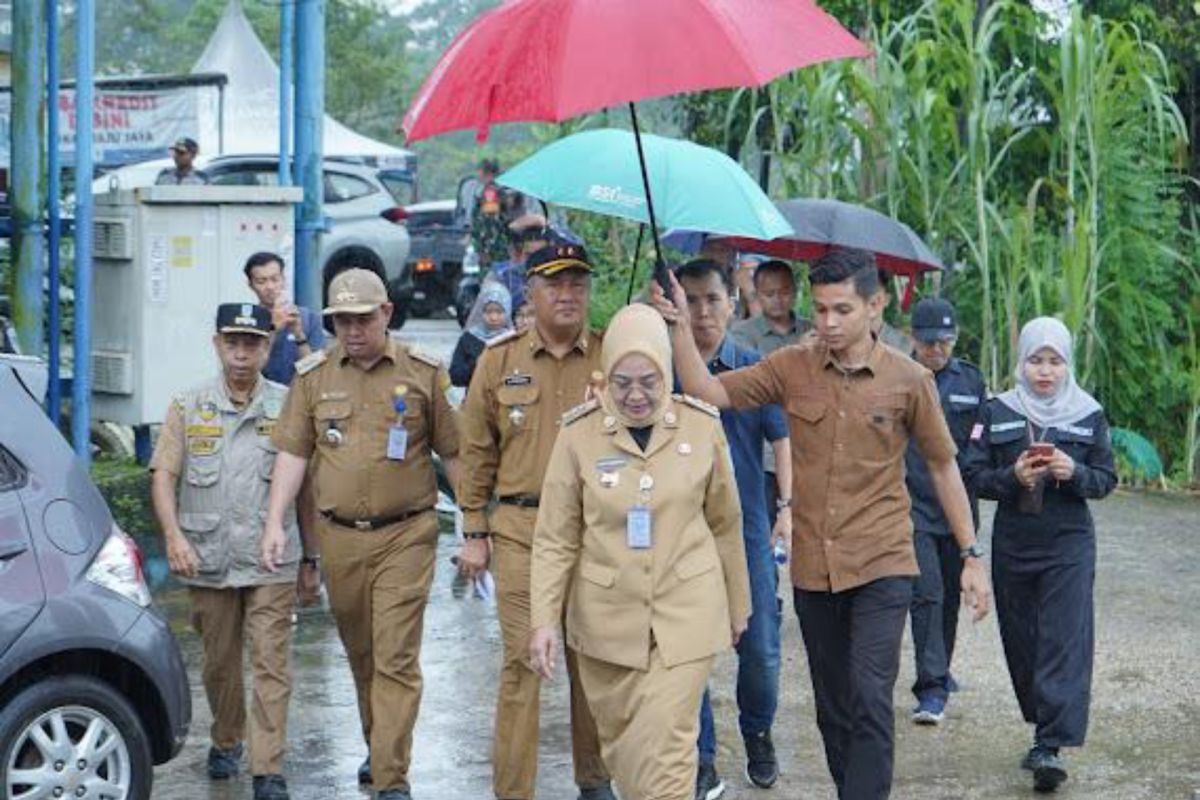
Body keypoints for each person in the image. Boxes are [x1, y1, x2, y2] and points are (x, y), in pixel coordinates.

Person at [651, 247, 992, 800]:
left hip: (884, 562)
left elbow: (942, 464)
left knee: (869, 696)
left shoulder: (909, 380)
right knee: (833, 708)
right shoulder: (790, 367)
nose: (829, 323)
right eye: (822, 310)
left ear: (875, 306)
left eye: (842, 310)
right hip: (814, 568)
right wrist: (679, 331)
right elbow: (707, 392)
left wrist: (971, 555)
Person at [528, 303, 751, 800]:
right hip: (606, 621)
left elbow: (726, 523)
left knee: (669, 749)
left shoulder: (700, 427)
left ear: (667, 372)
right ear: (605, 378)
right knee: (626, 756)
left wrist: (740, 605)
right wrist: (543, 621)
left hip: (686, 612)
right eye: (622, 382)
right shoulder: (578, 433)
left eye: (649, 381)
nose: (635, 395)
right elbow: (555, 538)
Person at [261, 269, 461, 800]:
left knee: (396, 655)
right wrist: (274, 523)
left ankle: (393, 777)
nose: (352, 330)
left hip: (408, 532)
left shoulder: (423, 372)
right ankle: (381, 746)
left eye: (362, 318)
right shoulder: (313, 377)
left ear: (387, 315)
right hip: (339, 538)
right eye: (341, 321)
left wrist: (480, 526)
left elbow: (456, 452)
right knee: (363, 654)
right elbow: (293, 454)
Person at [456, 243, 614, 800]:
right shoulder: (499, 361)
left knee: (592, 662)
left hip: (597, 535)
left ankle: (595, 780)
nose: (569, 294)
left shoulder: (614, 359)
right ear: (531, 293)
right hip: (522, 531)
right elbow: (475, 452)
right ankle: (514, 791)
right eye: (555, 284)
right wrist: (474, 531)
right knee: (524, 660)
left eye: (578, 283)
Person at [149, 303, 317, 800]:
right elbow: (163, 475)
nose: (242, 354)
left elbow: (306, 489)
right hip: (208, 558)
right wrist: (174, 537)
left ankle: (269, 769)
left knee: (271, 662)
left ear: (269, 347)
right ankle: (227, 737)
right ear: (217, 344)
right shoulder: (188, 404)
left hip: (271, 560)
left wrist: (311, 560)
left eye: (253, 344)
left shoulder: (289, 405)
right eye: (233, 343)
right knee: (220, 663)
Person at [963, 317, 1116, 794]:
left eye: (1054, 361)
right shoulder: (996, 410)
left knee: (1063, 640)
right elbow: (972, 472)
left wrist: (1075, 472)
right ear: (1022, 361)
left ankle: (1051, 744)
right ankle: (1041, 725)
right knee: (1024, 640)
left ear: (1067, 364)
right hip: (1015, 542)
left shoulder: (1088, 414)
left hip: (1069, 544)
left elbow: (1106, 479)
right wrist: (1014, 477)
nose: (1045, 371)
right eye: (1036, 360)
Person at [670, 259, 790, 798]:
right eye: (689, 301)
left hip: (746, 529)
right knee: (687, 649)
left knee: (761, 649)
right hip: (681, 532)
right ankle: (702, 757)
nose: (702, 312)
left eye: (711, 300)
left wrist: (787, 506)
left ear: (732, 303)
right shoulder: (661, 369)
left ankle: (758, 730)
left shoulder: (751, 366)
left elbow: (781, 440)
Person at [902, 298, 987, 725]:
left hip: (959, 507)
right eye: (930, 342)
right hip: (913, 503)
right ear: (913, 338)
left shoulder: (970, 379)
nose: (938, 350)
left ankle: (942, 669)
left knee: (952, 594)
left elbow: (980, 430)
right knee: (927, 593)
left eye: (946, 342)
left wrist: (975, 459)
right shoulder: (900, 377)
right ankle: (930, 688)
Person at [730, 258, 815, 528]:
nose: (778, 300)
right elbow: (758, 379)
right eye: (770, 294)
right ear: (756, 293)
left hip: (808, 448)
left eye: (785, 292)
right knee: (763, 527)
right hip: (763, 450)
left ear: (796, 291)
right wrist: (798, 354)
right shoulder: (741, 334)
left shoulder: (813, 330)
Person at [243, 252, 326, 385]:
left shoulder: (308, 318)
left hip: (299, 397)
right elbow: (250, 370)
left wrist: (299, 336)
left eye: (275, 279)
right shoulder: (246, 321)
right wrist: (273, 329)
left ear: (284, 279)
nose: (269, 287)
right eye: (261, 281)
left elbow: (316, 372)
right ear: (251, 285)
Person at [450, 283, 514, 390]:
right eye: (488, 311)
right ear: (481, 312)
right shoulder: (469, 338)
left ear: (507, 311)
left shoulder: (514, 339)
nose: (493, 317)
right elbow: (455, 376)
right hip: (475, 399)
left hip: (506, 400)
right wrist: (476, 366)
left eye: (499, 312)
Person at [488, 213, 551, 313]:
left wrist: (545, 223)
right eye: (529, 255)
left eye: (540, 256)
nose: (534, 261)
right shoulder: (504, 275)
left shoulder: (556, 276)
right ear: (519, 253)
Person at [471, 158, 512, 268]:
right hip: (498, 248)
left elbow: (490, 221)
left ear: (486, 172)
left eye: (479, 170)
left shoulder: (490, 192)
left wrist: (486, 250)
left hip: (494, 252)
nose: (478, 174)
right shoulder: (498, 188)